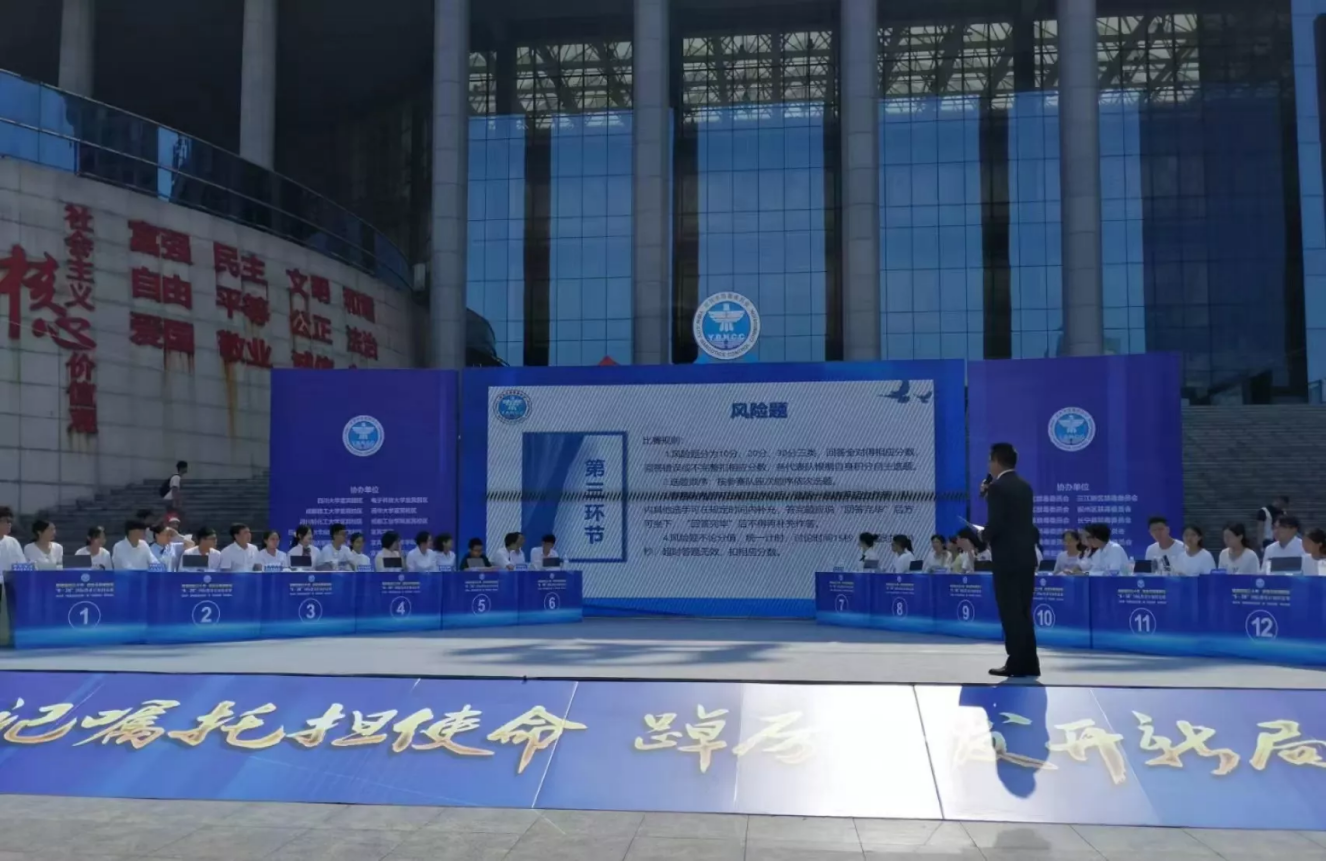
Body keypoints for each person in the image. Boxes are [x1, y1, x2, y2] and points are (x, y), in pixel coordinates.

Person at [981, 442, 1039, 678]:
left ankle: (1016, 663)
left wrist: (982, 535)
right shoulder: (1025, 486)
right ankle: (1030, 663)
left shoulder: (997, 488)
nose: (989, 464)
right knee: (1023, 611)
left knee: (1010, 612)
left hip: (1007, 560)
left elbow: (997, 524)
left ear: (997, 460)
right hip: (1026, 558)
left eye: (990, 460)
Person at [0, 506, 24, 575]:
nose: (9, 524)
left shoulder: (13, 542)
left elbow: (21, 565)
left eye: (10, 521)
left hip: (10, 581)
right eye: (6, 521)